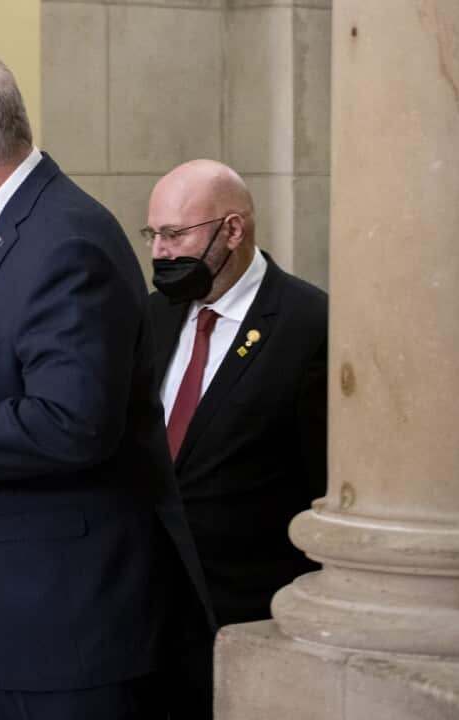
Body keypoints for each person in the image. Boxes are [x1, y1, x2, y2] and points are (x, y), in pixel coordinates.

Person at [0, 48, 213, 719]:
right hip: (3, 629)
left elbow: (72, 421)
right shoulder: (3, 230)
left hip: (65, 646)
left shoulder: (65, 238)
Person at [145, 159, 327, 716]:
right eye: (152, 234)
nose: (159, 251)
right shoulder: (153, 314)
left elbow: (324, 485)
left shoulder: (309, 325)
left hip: (249, 616)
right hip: (147, 616)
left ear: (232, 229)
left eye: (175, 234)